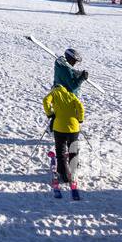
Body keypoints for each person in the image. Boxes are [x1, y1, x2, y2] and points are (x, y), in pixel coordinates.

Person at [44, 48, 87, 194]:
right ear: (69, 59)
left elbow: (46, 101)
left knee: (60, 141)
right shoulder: (65, 70)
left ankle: (64, 171)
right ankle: (71, 170)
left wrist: (50, 114)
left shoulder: (62, 65)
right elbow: (73, 85)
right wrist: (81, 78)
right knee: (70, 146)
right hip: (68, 103)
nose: (75, 64)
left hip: (59, 106)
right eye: (74, 61)